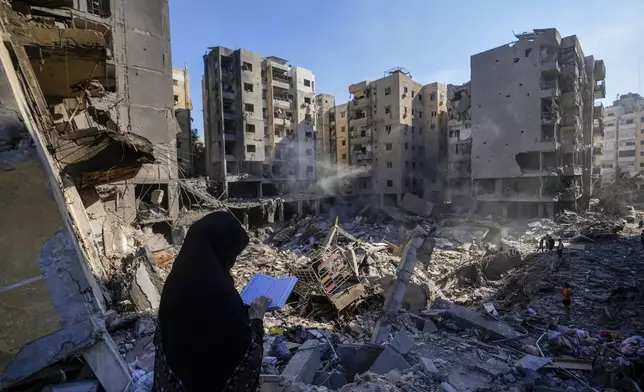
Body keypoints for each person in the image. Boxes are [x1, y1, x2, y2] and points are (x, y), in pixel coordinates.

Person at [154, 211, 271, 392]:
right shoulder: (219, 292)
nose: (231, 261)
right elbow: (248, 354)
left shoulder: (177, 279)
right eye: (232, 254)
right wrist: (256, 320)